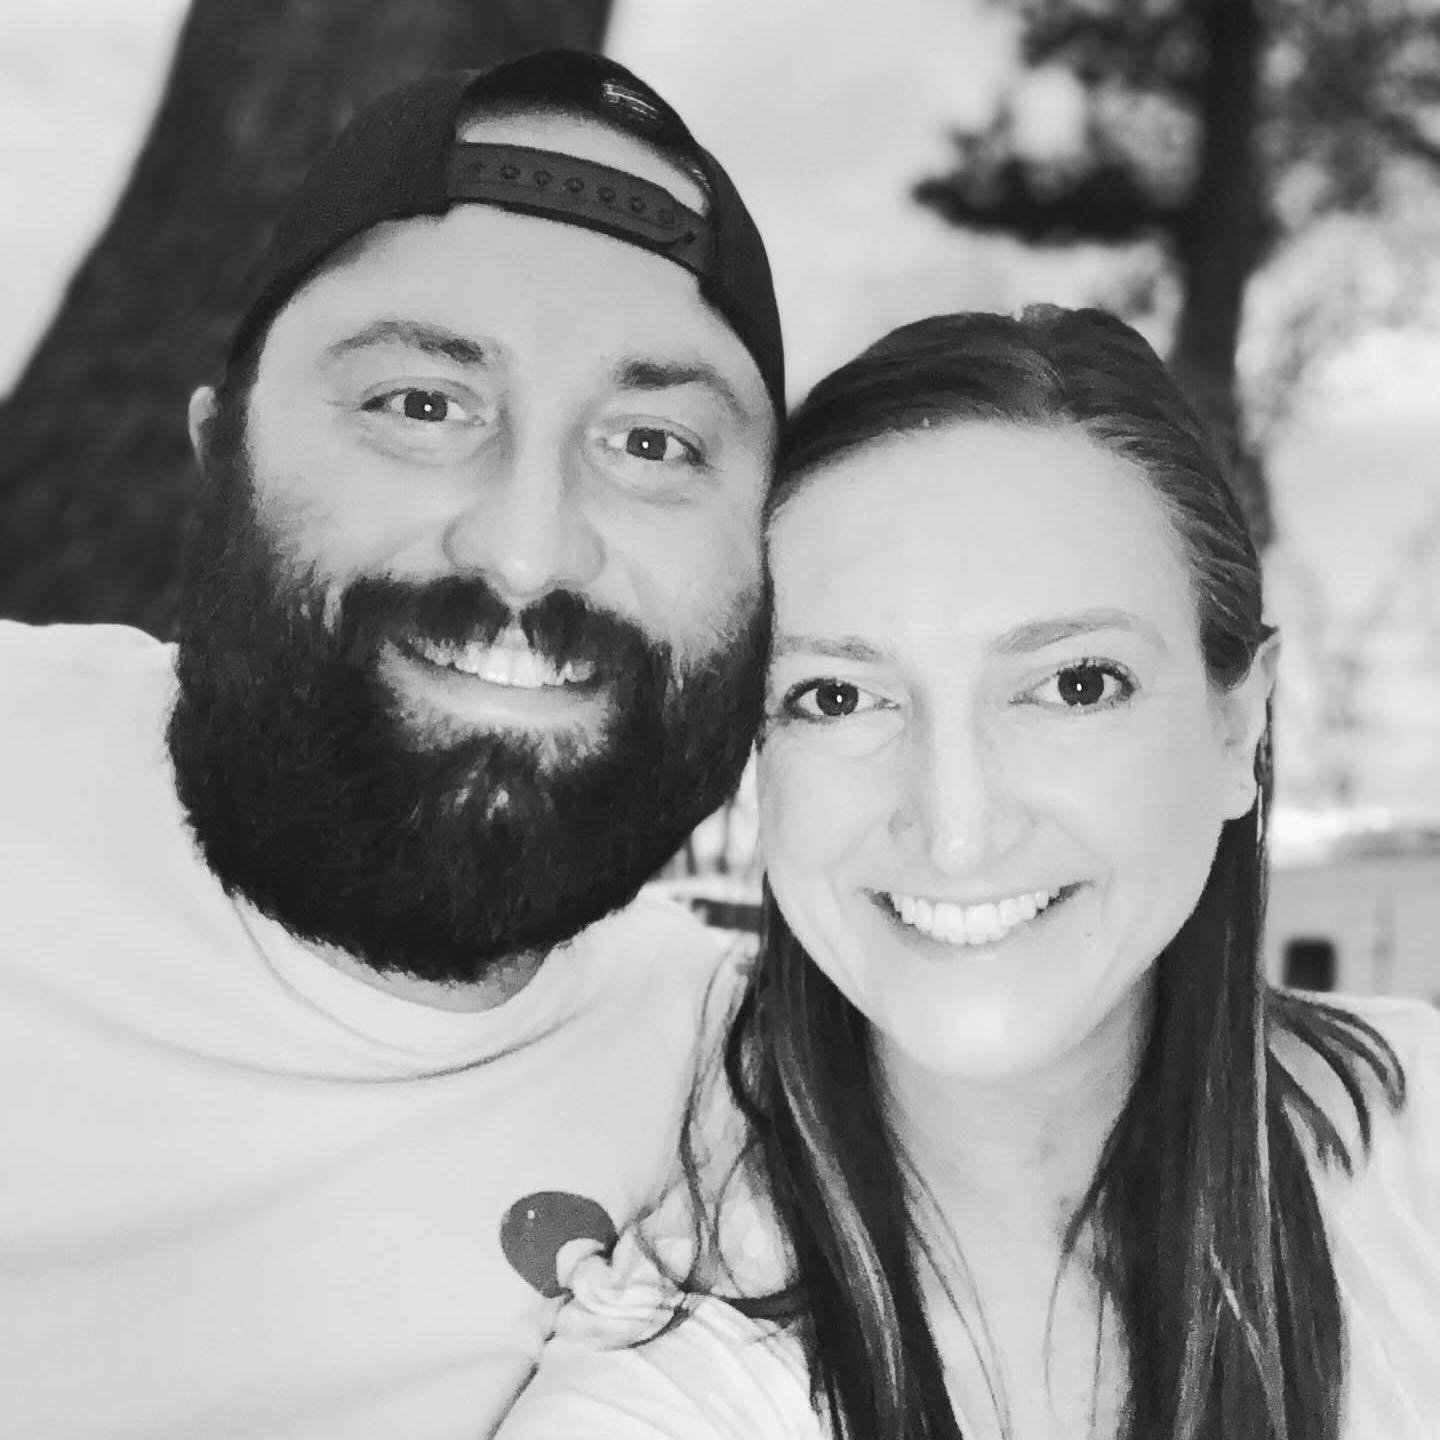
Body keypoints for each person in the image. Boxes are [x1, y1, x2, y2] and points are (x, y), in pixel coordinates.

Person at [0, 51, 783, 1440]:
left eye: (654, 441)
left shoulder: (750, 1096)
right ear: (217, 454)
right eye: (421, 404)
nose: (528, 547)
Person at [496, 307, 1440, 1440]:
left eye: (1076, 684)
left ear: (1239, 726)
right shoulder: (670, 1381)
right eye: (837, 697)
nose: (954, 828)